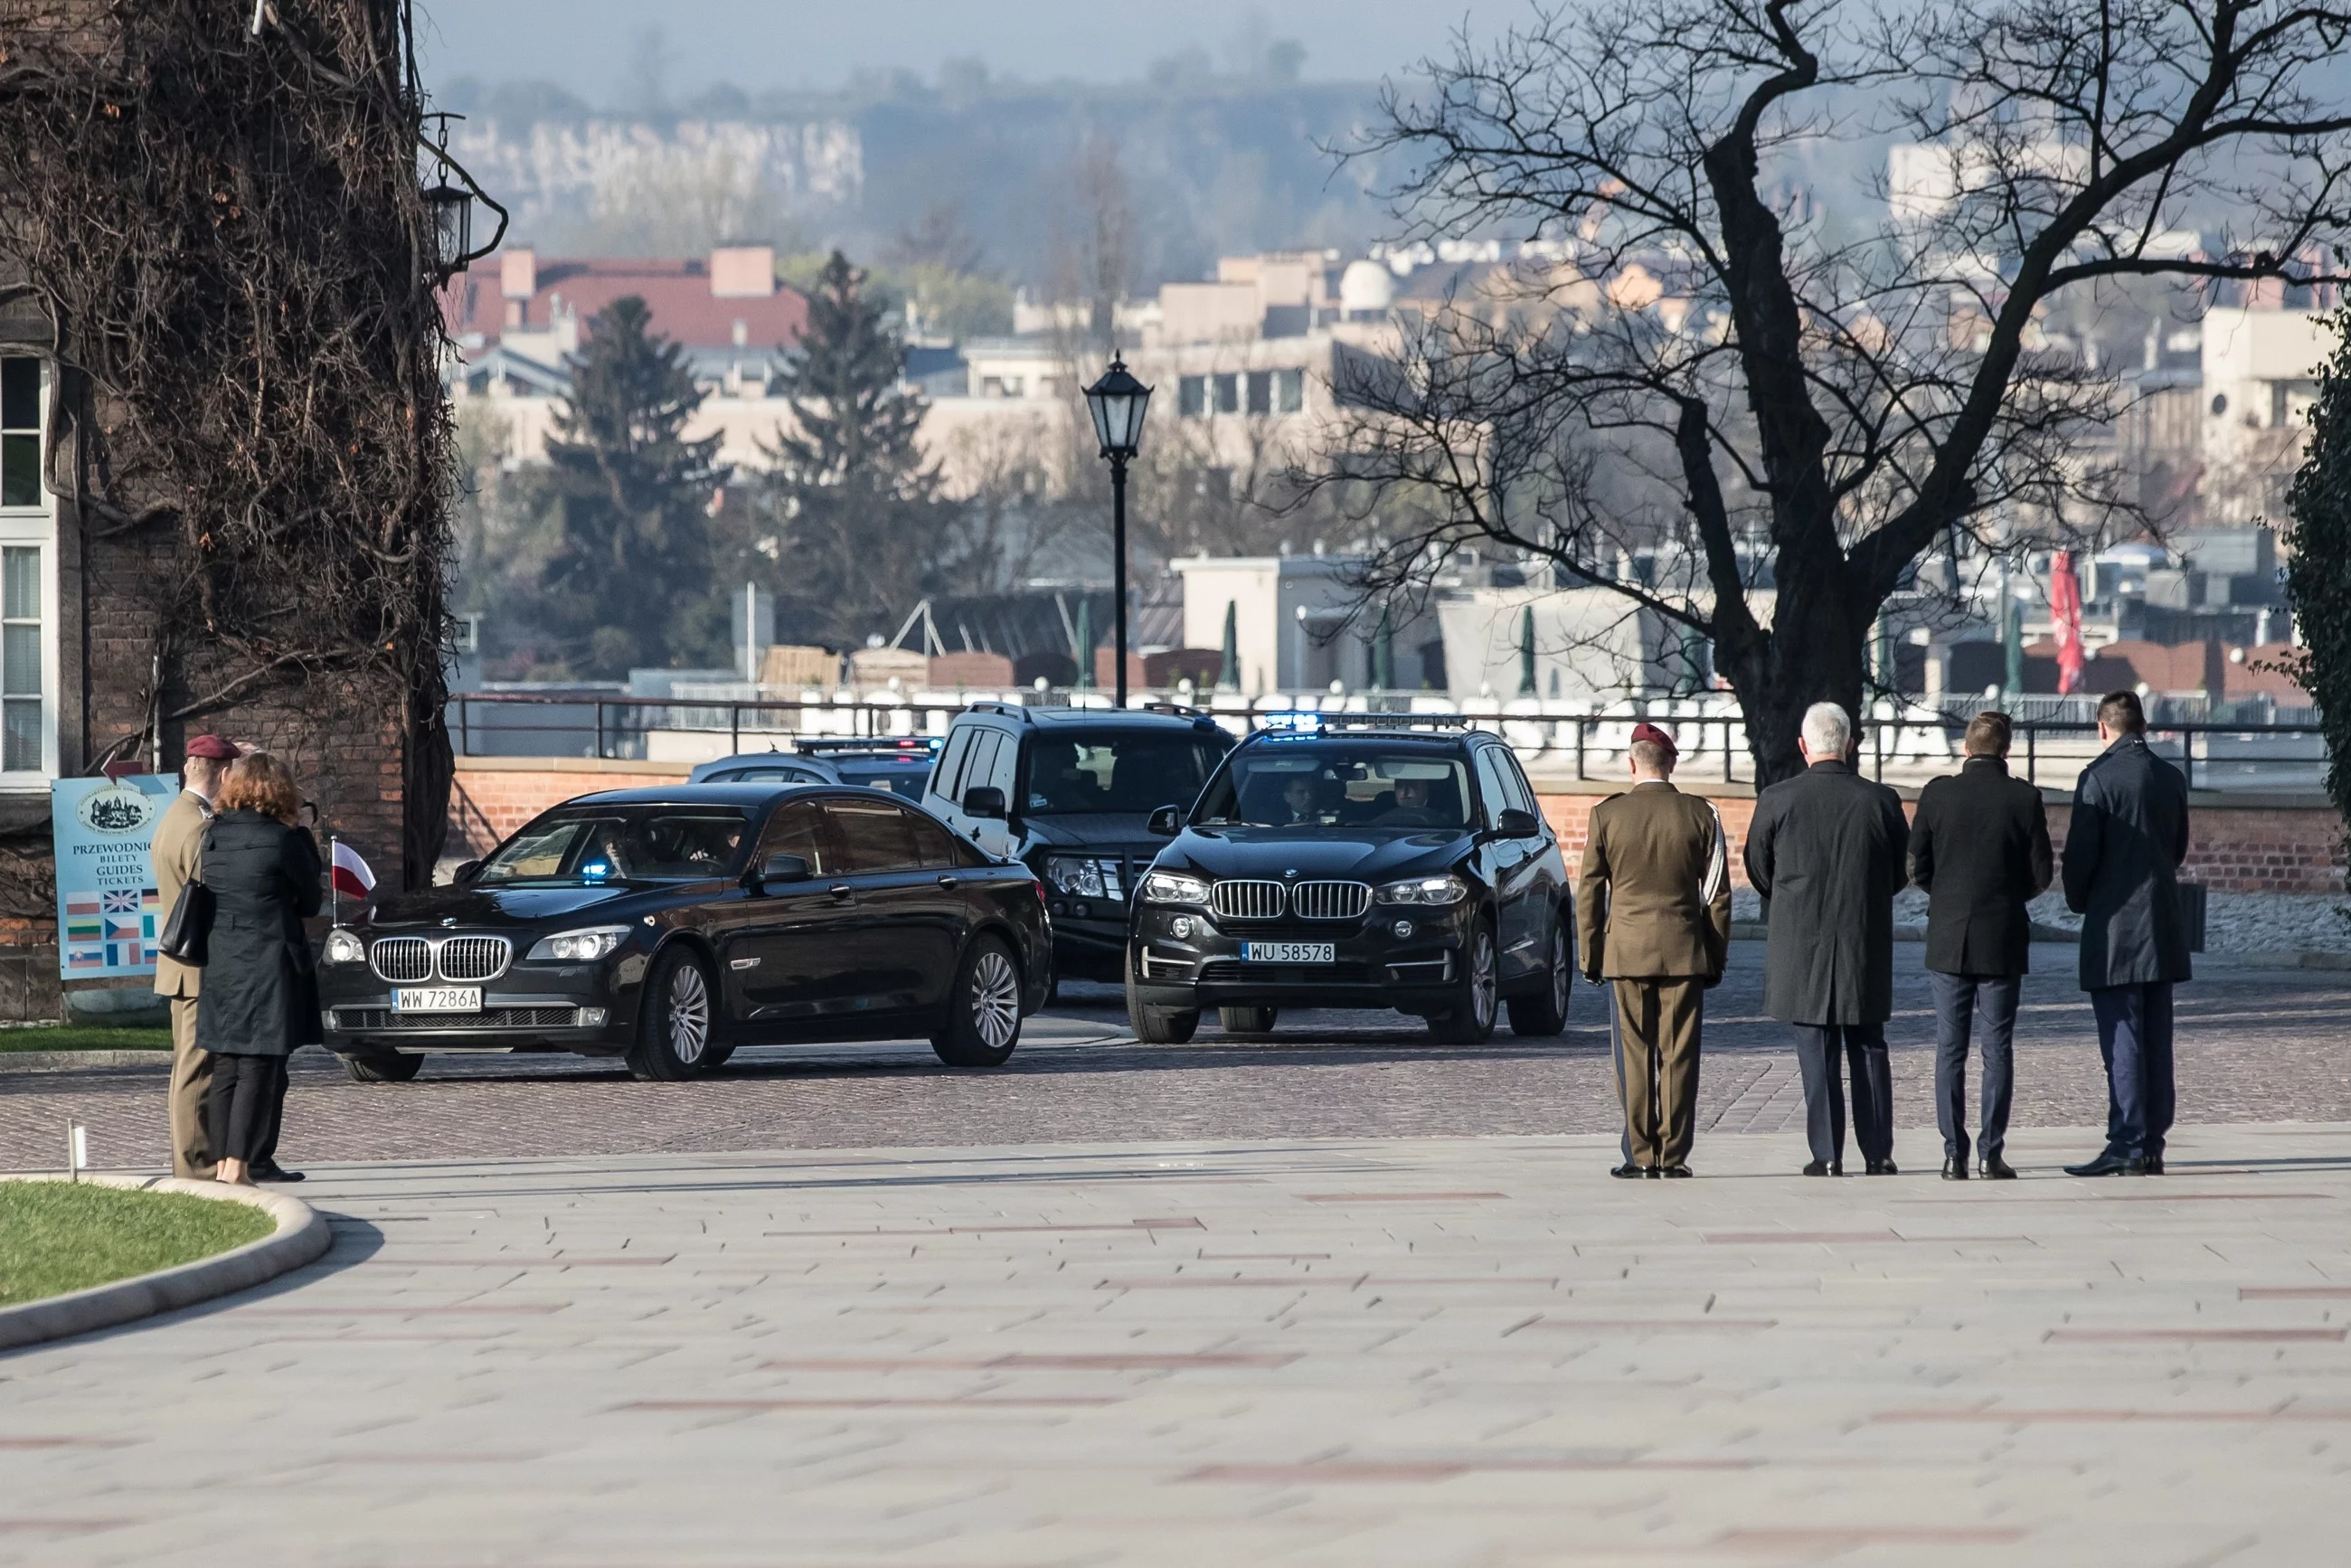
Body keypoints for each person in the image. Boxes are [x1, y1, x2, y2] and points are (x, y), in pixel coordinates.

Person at [1743, 702, 1911, 1176]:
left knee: (1815, 1049)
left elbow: (1759, 869)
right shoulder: (1881, 800)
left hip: (1801, 938)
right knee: (1869, 1046)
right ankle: (1878, 1152)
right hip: (1863, 935)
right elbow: (1901, 870)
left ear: (1803, 746)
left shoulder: (1777, 798)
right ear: (1850, 744)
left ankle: (1827, 1153)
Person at [1575, 722, 1732, 1178]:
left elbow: (1589, 892)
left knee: (1634, 1054)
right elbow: (1718, 895)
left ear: (1631, 763)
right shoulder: (1702, 814)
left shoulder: (1607, 815)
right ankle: (1674, 1155)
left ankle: (1641, 1155)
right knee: (1679, 1055)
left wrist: (1590, 954)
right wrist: (1715, 956)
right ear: (1672, 763)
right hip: (1684, 949)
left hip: (1625, 950)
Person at [1909, 711, 2054, 1180]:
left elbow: (1917, 866)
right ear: (2006, 749)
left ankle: (1954, 1153)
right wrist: (2009, 898)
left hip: (1949, 934)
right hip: (2003, 934)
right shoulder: (2023, 797)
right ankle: (1991, 1153)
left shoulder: (1937, 793)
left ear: (1965, 748)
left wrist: (1947, 897)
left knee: (1949, 1048)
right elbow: (2041, 874)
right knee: (1998, 1048)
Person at [2061, 689, 2191, 1176]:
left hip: (2115, 927)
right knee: (2157, 1037)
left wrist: (2082, 902)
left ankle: (2127, 1141)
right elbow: (2176, 850)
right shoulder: (2171, 777)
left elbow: (2080, 858)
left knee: (2122, 1037)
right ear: (2143, 725)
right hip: (2162, 922)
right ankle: (2153, 1141)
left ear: (2102, 728)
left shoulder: (2097, 779)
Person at [197, 752, 324, 1186]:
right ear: (281, 790)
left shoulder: (213, 837)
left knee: (227, 1064)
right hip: (268, 960)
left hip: (222, 961)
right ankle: (239, 1167)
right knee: (259, 1065)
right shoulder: (282, 840)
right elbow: (310, 902)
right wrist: (305, 837)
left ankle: (221, 1167)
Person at [150, 734, 238, 1180]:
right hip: (195, 964)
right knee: (195, 1070)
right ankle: (193, 1167)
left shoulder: (177, 815)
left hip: (181, 963)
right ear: (222, 775)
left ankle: (195, 1160)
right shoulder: (199, 828)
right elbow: (213, 896)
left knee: (191, 1066)